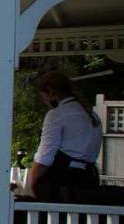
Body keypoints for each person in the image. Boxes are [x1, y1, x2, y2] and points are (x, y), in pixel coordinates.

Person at [26, 71, 103, 201]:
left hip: (63, 182)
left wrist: (33, 185)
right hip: (89, 179)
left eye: (43, 97)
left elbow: (45, 157)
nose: (44, 101)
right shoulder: (92, 115)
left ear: (50, 92)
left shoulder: (57, 115)